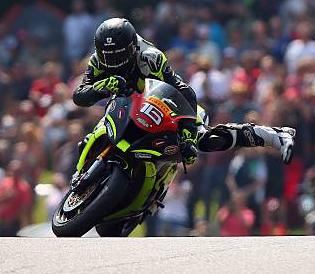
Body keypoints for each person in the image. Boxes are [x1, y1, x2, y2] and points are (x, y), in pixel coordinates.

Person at [73, 18, 295, 165]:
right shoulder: (98, 60)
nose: (113, 62)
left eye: (119, 56)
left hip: (164, 109)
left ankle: (274, 136)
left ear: (132, 47)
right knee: (90, 138)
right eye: (107, 56)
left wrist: (188, 132)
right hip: (125, 108)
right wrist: (101, 87)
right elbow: (79, 96)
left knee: (205, 140)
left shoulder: (151, 57)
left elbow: (183, 91)